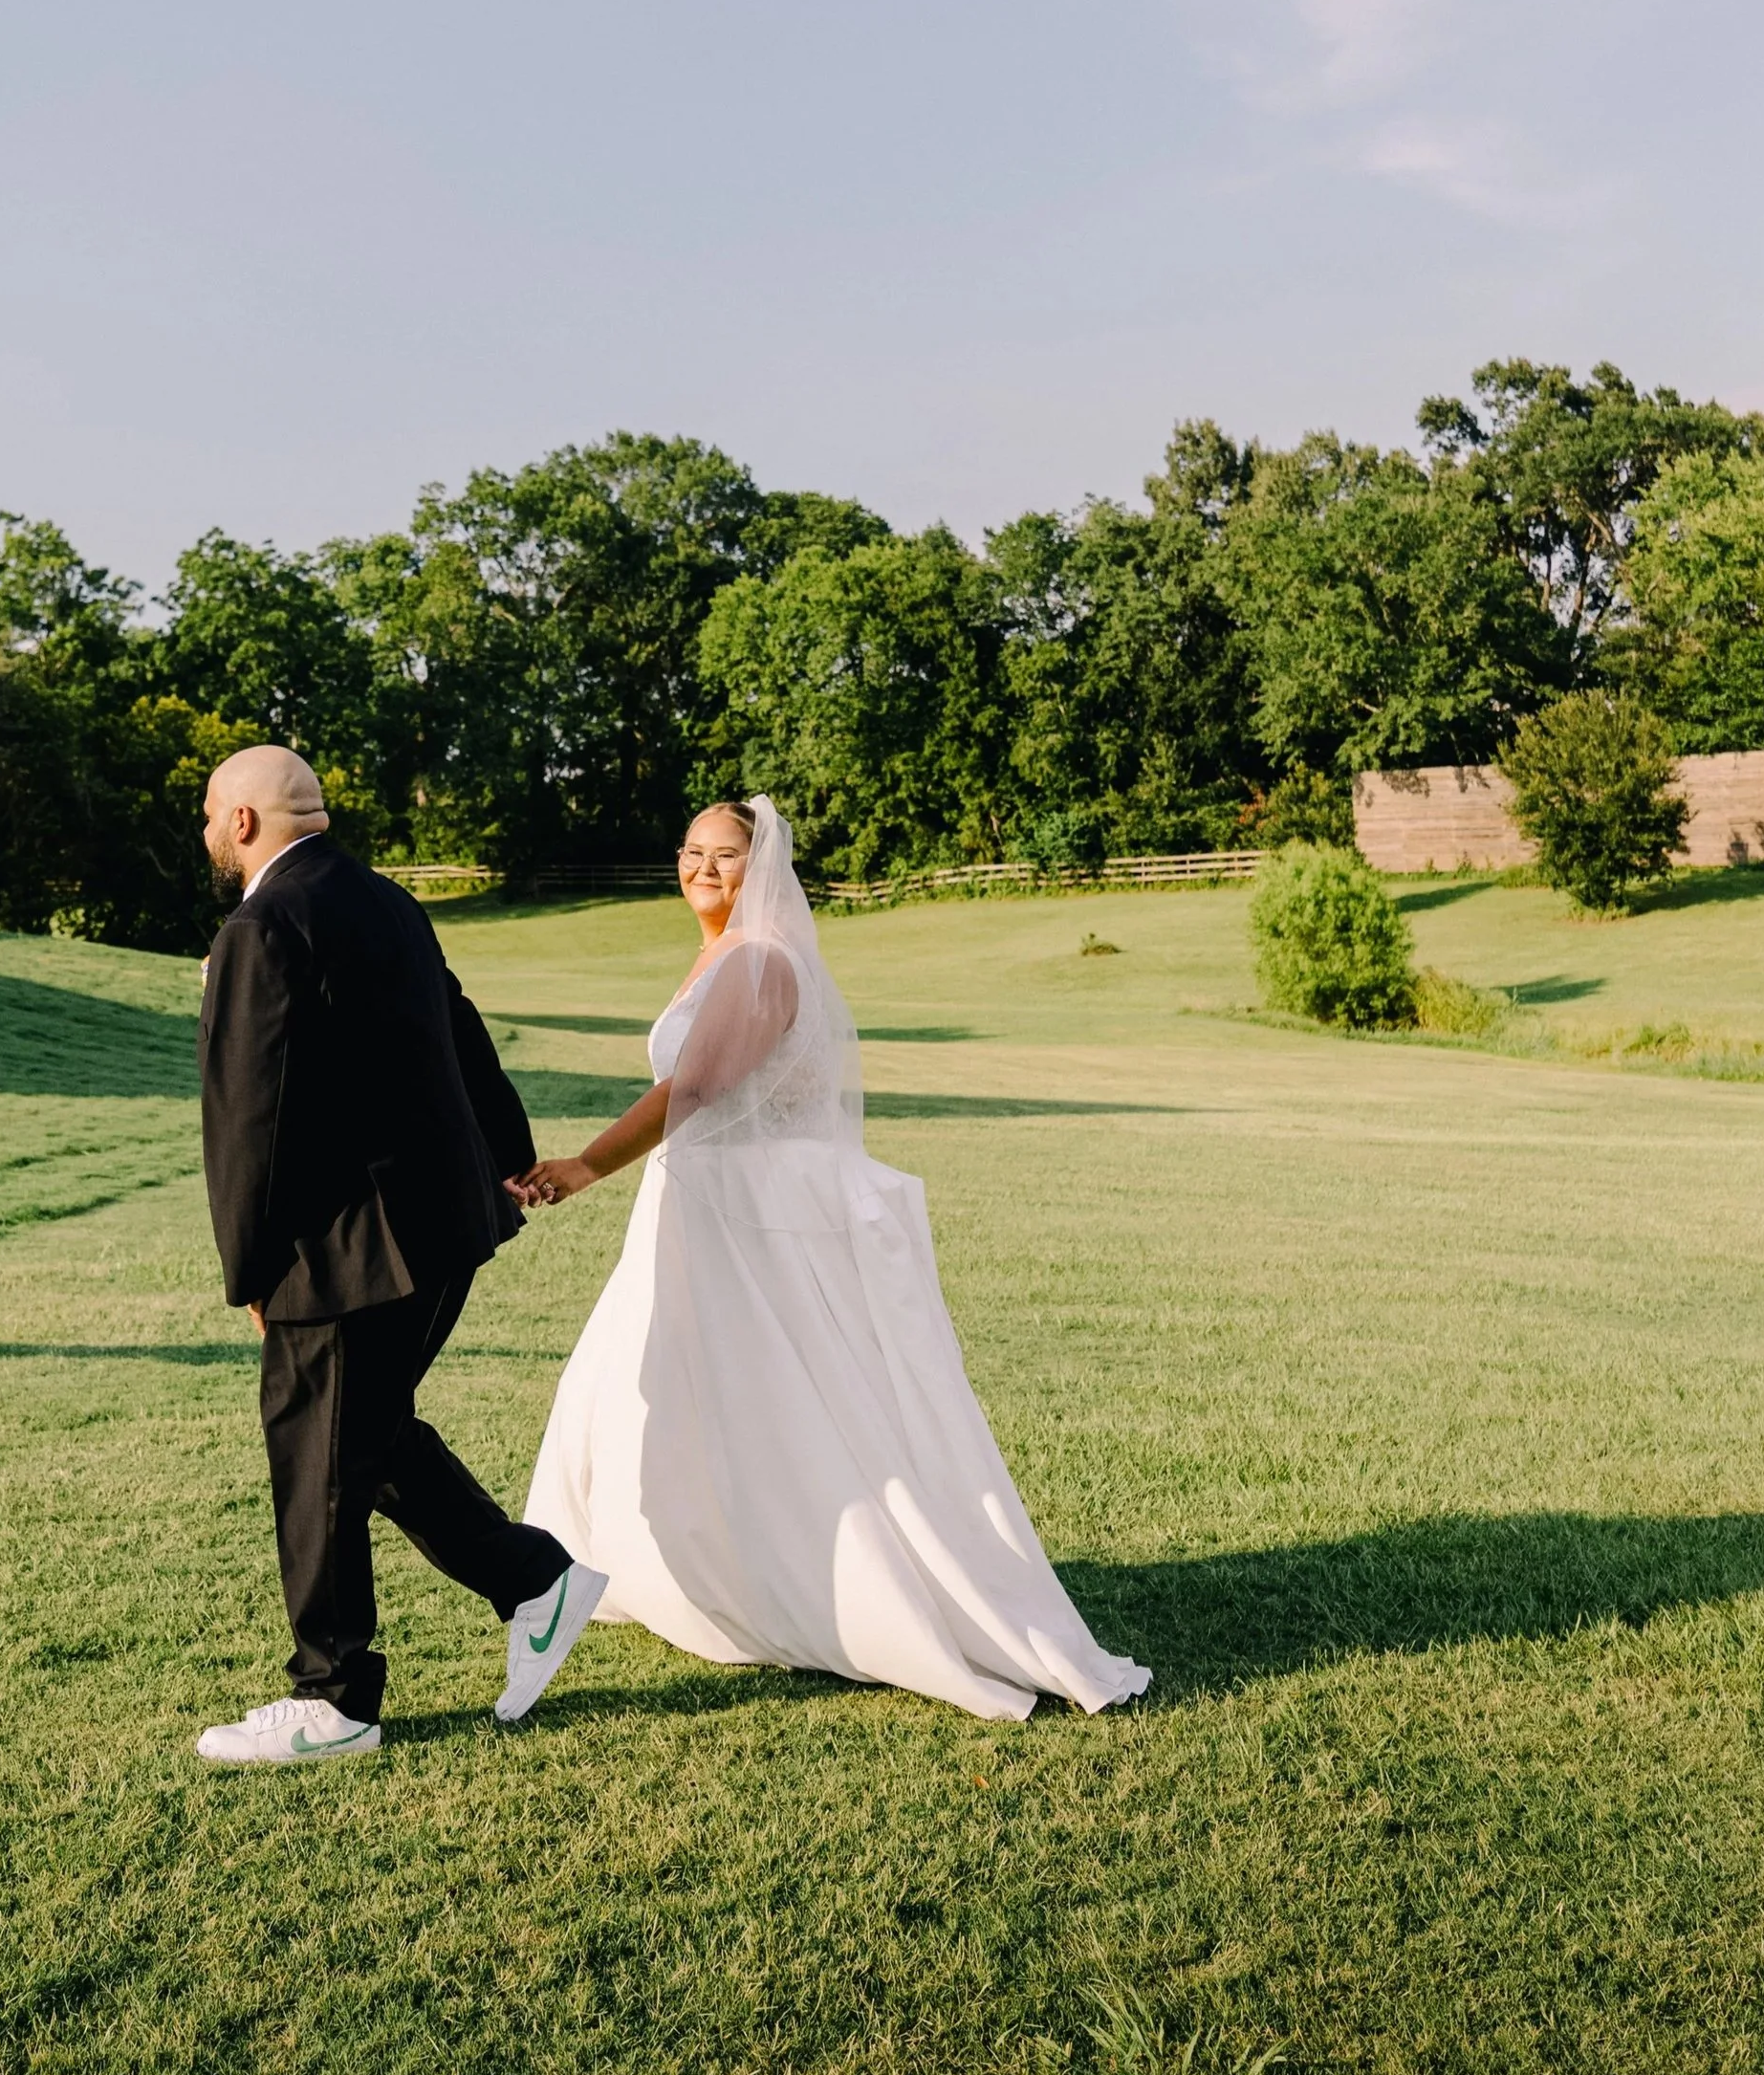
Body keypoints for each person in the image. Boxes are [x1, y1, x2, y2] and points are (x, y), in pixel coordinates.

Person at [514, 795, 1151, 1724]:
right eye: (689, 851)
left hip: (743, 1222)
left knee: (779, 1411)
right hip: (701, 1212)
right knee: (657, 1395)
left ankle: (836, 1588)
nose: (701, 868)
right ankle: (677, 1567)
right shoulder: (724, 954)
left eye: (723, 854)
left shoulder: (761, 961)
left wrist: (583, 1166)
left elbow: (694, 1088)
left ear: (762, 863)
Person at [190, 746, 608, 1766]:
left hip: (342, 1250)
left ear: (242, 822)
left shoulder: (263, 924)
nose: (205, 831)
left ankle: (333, 1701)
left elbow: (250, 1117)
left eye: (209, 814)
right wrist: (503, 1161)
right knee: (361, 1438)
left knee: (315, 1456)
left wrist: (247, 1268)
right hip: (444, 1227)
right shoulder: (386, 901)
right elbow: (464, 1035)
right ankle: (534, 1581)